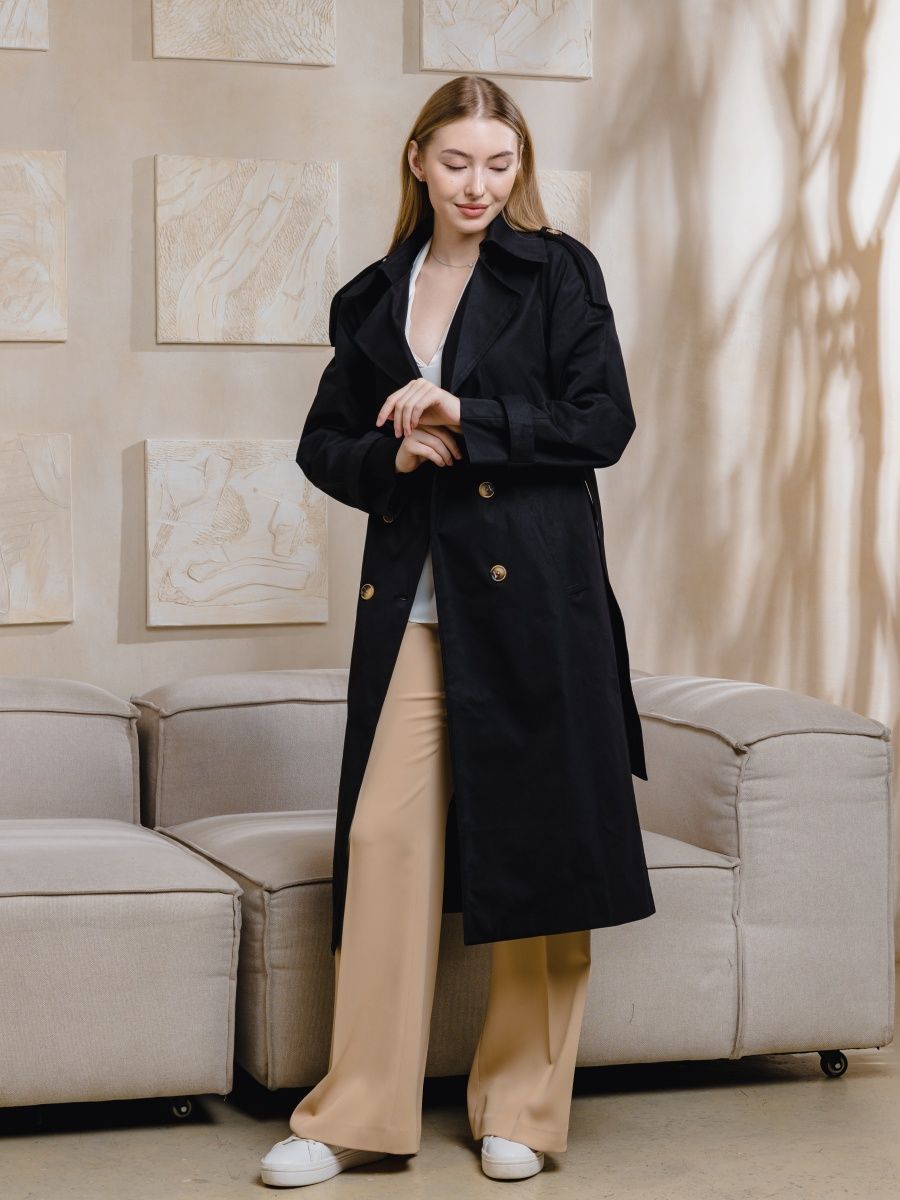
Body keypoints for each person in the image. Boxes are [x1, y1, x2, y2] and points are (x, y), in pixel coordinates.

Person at [261, 74, 655, 1188]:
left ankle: (522, 1107)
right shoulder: (375, 294)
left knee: (542, 846)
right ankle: (356, 1115)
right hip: (420, 608)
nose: (478, 184)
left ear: (518, 164)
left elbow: (603, 422)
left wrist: (466, 416)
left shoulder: (557, 271)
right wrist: (390, 454)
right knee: (384, 845)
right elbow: (322, 444)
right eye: (456, 162)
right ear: (418, 162)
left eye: (499, 162)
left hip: (536, 606)